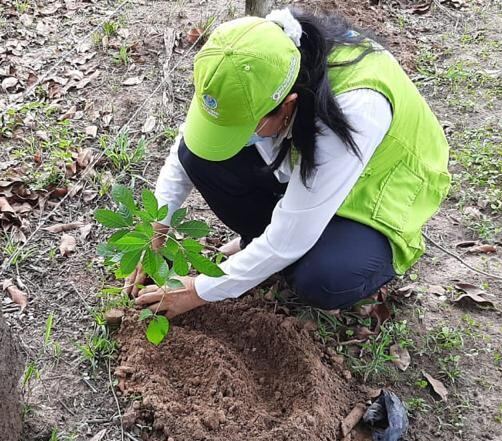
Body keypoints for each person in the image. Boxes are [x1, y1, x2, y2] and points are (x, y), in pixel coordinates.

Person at [130, 8, 451, 318]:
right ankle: (261, 252)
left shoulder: (355, 108)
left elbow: (292, 236)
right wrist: (155, 227)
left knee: (322, 276)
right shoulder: (244, 63)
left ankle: (332, 255)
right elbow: (186, 152)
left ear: (287, 106)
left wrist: (199, 290)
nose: (239, 137)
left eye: (246, 127)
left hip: (381, 187)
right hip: (319, 164)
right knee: (197, 155)